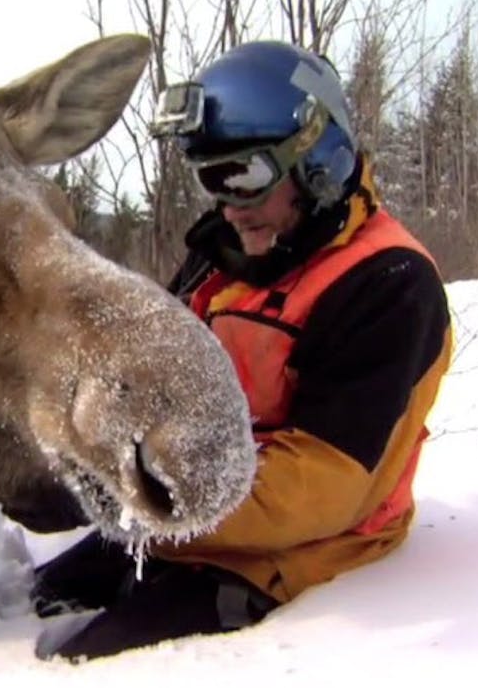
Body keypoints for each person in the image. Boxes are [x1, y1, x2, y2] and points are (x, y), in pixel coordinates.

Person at [29, 40, 454, 662]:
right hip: (186, 509)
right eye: (210, 178)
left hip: (299, 545)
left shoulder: (389, 285)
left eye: (243, 176)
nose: (229, 206)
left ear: (319, 162)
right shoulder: (223, 258)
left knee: (85, 662)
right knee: (32, 600)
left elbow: (324, 486)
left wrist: (140, 502)